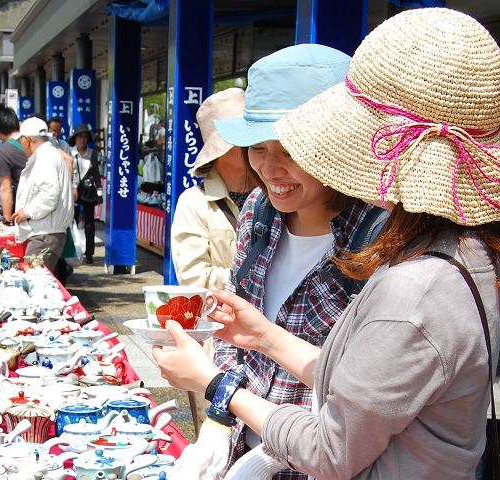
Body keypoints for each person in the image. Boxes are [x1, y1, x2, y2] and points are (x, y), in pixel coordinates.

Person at [154, 8, 500, 480]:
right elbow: (359, 382)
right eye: (258, 148)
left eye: (295, 148)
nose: (272, 169)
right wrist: (261, 344)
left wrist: (217, 387)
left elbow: (332, 449)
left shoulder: (409, 278)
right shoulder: (455, 255)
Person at [170, 87, 260, 435]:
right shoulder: (195, 203)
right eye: (246, 141)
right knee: (221, 438)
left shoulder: (274, 195)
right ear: (223, 151)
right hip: (219, 341)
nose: (255, 149)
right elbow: (193, 278)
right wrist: (252, 282)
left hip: (271, 337)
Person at [11, 117, 74, 272]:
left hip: (44, 234)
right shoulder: (48, 154)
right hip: (46, 232)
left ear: (27, 140)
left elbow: (49, 195)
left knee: (35, 283)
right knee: (40, 283)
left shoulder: (46, 156)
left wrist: (26, 212)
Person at [69, 124, 102, 264]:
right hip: (73, 191)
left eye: (85, 137)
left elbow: (96, 174)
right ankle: (72, 251)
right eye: (80, 136)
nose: (82, 140)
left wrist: (99, 191)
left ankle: (89, 253)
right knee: (72, 221)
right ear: (75, 138)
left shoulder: (92, 154)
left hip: (88, 192)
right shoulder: (69, 153)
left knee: (89, 224)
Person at [0, 104, 27, 223]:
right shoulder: (33, 140)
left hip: (29, 211)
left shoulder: (4, 150)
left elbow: (6, 189)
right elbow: (68, 159)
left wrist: (6, 221)